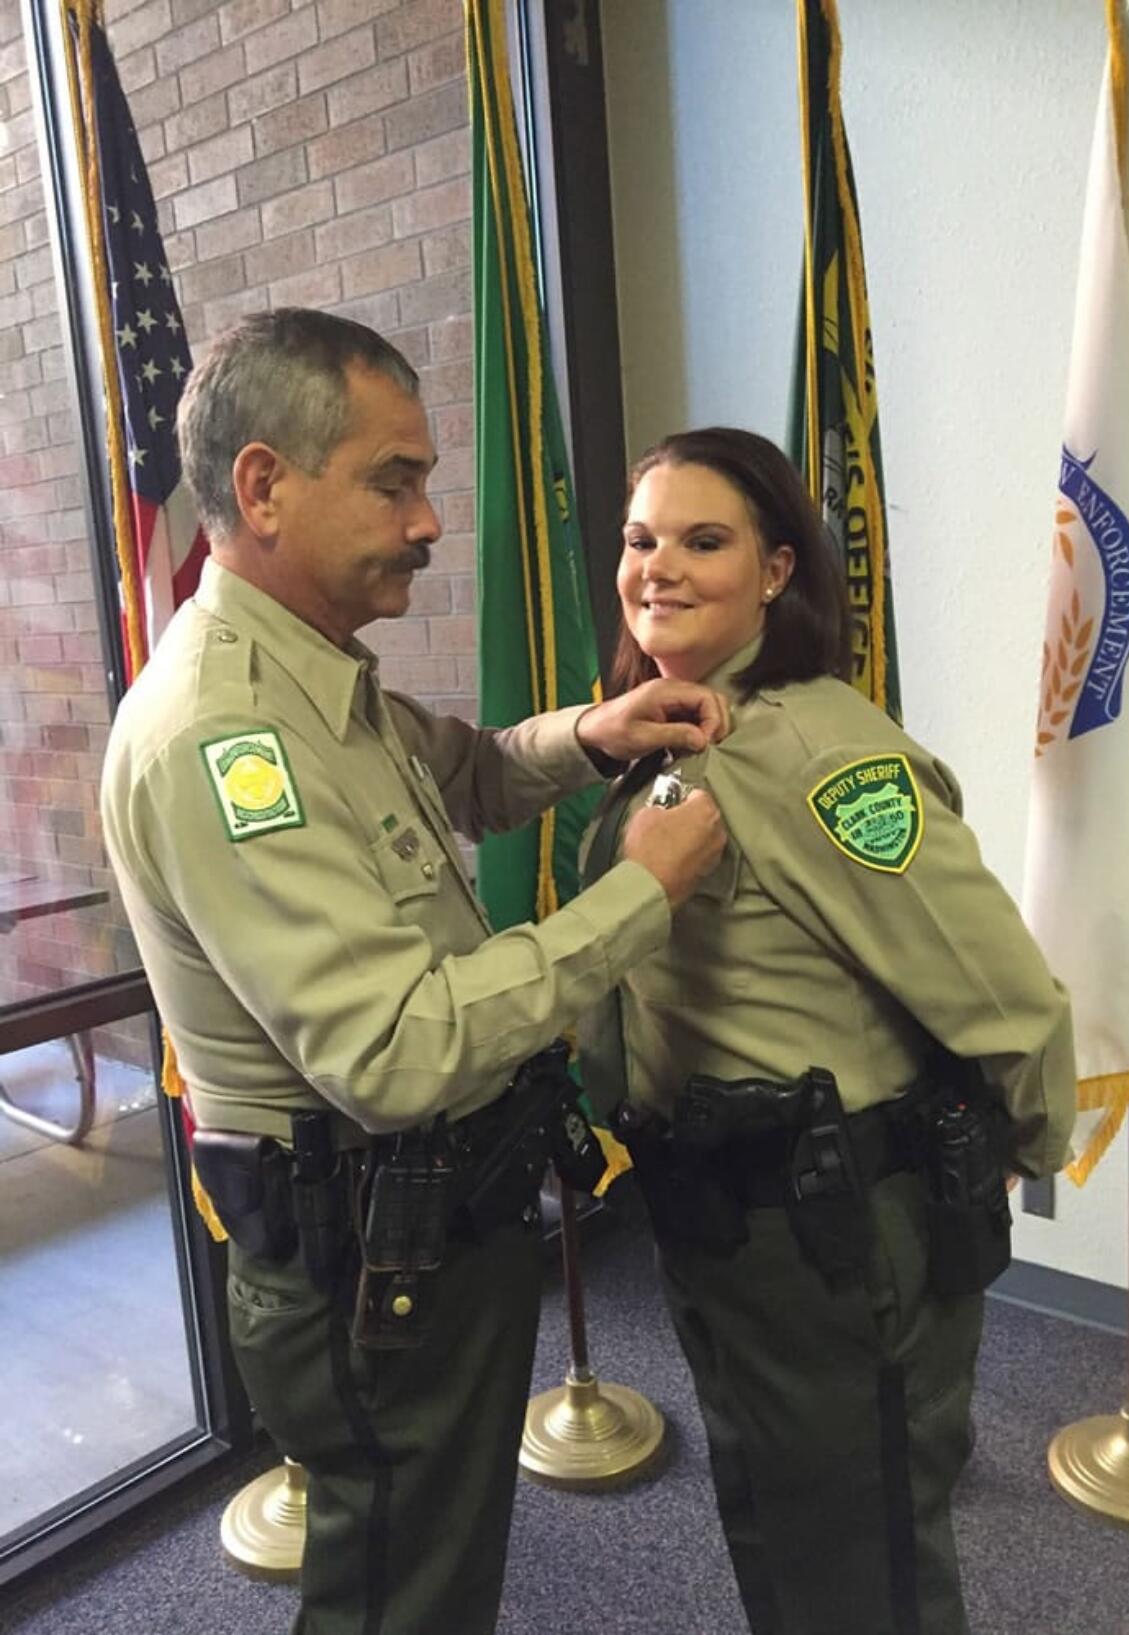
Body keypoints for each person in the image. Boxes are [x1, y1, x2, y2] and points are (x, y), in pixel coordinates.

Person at [99, 308, 729, 1635]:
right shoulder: (226, 734)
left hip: (420, 1230)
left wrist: (595, 735)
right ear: (264, 485)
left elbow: (466, 775)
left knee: (427, 1564)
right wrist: (642, 891)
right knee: (400, 1593)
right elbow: (390, 1055)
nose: (431, 518)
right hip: (362, 1257)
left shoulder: (316, 678)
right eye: (395, 481)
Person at [578, 427, 1076, 1635]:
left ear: (777, 571)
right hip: (725, 1224)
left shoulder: (816, 758)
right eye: (642, 539)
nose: (658, 568)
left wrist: (1014, 1152)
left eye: (704, 541)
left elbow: (1005, 998)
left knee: (862, 1567)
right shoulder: (680, 734)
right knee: (779, 1523)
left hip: (831, 1244)